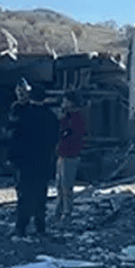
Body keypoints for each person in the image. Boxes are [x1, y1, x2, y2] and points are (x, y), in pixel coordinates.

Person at [10, 84, 60, 237]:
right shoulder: (51, 117)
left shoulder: (24, 114)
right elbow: (54, 139)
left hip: (25, 161)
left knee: (24, 195)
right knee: (40, 195)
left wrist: (12, 158)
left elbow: (15, 137)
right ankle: (40, 225)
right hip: (43, 160)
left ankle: (21, 226)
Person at [55, 90, 88, 225]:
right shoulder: (66, 116)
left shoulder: (77, 118)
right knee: (59, 185)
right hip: (62, 153)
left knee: (66, 186)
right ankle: (59, 210)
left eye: (65, 100)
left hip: (70, 154)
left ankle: (66, 212)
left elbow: (69, 133)